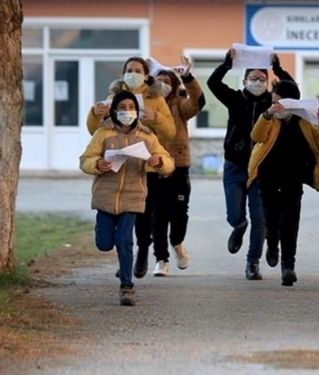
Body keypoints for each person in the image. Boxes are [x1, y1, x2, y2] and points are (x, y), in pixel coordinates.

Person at [80, 91, 175, 306]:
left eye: (131, 107)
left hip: (133, 197)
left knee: (124, 240)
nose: (127, 112)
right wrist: (96, 164)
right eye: (122, 107)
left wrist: (158, 162)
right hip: (105, 197)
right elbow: (85, 159)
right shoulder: (103, 134)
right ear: (114, 110)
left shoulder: (147, 136)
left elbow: (167, 162)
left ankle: (127, 286)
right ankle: (117, 253)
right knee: (104, 244)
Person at [207, 49, 294, 280]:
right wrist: (226, 64)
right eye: (253, 78)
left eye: (262, 79)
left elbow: (293, 90)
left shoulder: (272, 101)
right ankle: (238, 226)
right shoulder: (235, 98)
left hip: (262, 167)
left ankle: (252, 263)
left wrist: (278, 69)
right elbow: (212, 83)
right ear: (244, 80)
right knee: (235, 214)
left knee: (261, 218)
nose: (257, 82)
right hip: (234, 165)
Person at [247, 80, 319, 287]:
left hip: (294, 179)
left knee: (289, 222)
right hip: (268, 177)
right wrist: (268, 115)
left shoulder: (305, 120)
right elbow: (256, 136)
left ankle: (288, 266)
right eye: (273, 101)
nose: (275, 105)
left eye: (279, 102)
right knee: (271, 219)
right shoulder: (269, 118)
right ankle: (271, 244)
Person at [148, 56, 206, 276]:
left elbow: (198, 103)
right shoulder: (148, 103)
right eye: (158, 80)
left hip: (178, 166)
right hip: (154, 165)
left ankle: (178, 243)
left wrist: (188, 78)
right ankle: (161, 259)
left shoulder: (180, 103)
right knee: (158, 215)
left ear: (173, 84)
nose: (162, 84)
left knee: (179, 213)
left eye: (167, 81)